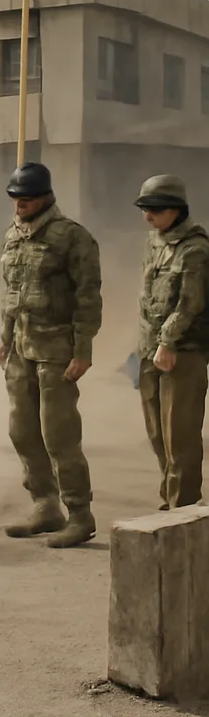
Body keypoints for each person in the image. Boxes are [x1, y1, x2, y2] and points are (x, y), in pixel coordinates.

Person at [0, 162, 101, 549]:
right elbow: (10, 291)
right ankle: (45, 505)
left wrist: (83, 350)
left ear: (44, 197)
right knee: (21, 431)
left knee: (59, 435)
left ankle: (79, 514)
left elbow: (88, 297)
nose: (19, 206)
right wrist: (4, 337)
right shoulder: (13, 235)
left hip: (57, 350)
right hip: (22, 348)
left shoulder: (73, 237)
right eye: (15, 199)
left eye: (25, 199)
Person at [134, 174, 209, 509]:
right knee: (157, 434)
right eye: (145, 208)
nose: (148, 216)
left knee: (180, 438)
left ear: (175, 209)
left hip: (183, 352)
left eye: (155, 209)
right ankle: (170, 499)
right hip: (152, 350)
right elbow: (148, 296)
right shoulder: (155, 242)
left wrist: (167, 342)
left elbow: (189, 303)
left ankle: (184, 510)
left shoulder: (196, 249)